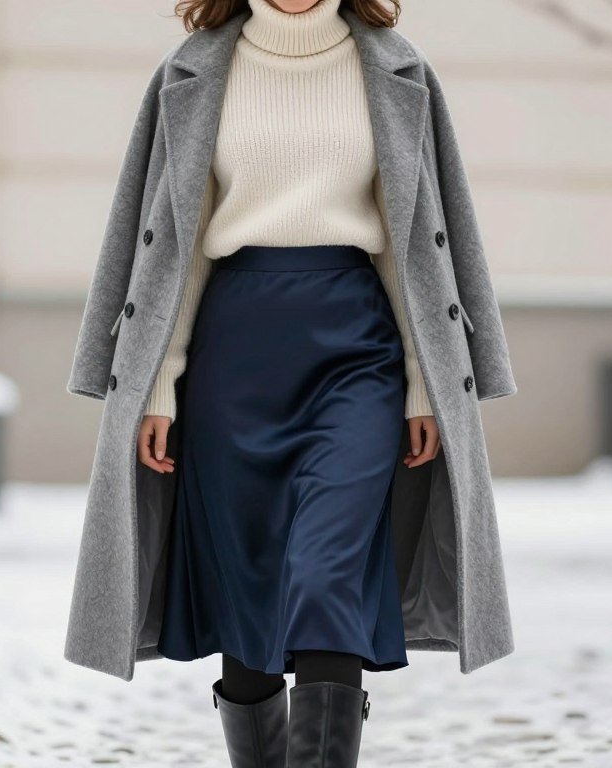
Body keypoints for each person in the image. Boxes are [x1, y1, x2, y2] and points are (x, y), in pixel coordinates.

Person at [64, 0, 518, 765]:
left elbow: (411, 242)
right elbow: (179, 241)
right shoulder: (197, 70)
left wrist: (421, 380)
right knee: (247, 589)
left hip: (357, 348)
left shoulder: (396, 69)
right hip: (231, 350)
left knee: (326, 576)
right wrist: (161, 380)